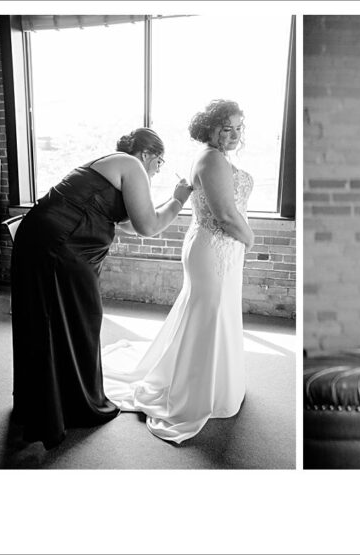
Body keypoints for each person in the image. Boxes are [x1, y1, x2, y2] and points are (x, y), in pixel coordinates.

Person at [11, 128, 193, 448]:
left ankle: (51, 402)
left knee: (52, 320)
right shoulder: (130, 165)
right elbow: (149, 226)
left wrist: (172, 202)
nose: (157, 169)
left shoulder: (113, 167)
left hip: (45, 238)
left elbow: (131, 223)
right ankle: (69, 405)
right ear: (147, 154)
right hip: (60, 244)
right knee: (78, 319)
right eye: (159, 161)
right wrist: (179, 198)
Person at [103, 100, 255, 443]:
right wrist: (250, 238)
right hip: (216, 248)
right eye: (225, 127)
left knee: (212, 313)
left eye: (238, 127)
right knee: (210, 314)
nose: (233, 134)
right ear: (209, 128)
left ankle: (214, 381)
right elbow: (226, 217)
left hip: (218, 248)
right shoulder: (211, 158)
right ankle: (197, 390)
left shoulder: (215, 157)